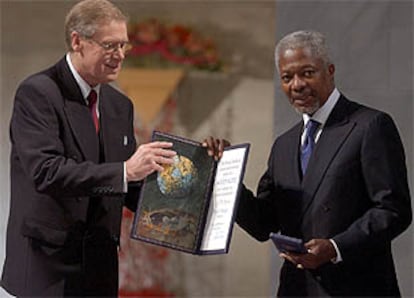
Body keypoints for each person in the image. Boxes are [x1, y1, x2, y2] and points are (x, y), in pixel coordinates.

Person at [206, 30, 412, 297]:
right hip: (297, 290)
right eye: (287, 77)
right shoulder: (284, 145)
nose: (297, 84)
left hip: (357, 288)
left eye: (307, 73)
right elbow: (262, 224)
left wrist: (335, 247)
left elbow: (393, 210)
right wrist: (225, 173)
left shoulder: (370, 126)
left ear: (330, 70)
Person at [0, 0, 178, 296]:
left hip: (100, 266)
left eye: (124, 46)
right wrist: (125, 171)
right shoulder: (38, 93)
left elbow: (127, 185)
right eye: (110, 46)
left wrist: (189, 198)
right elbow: (46, 172)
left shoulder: (120, 106)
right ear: (77, 41)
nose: (119, 56)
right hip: (49, 267)